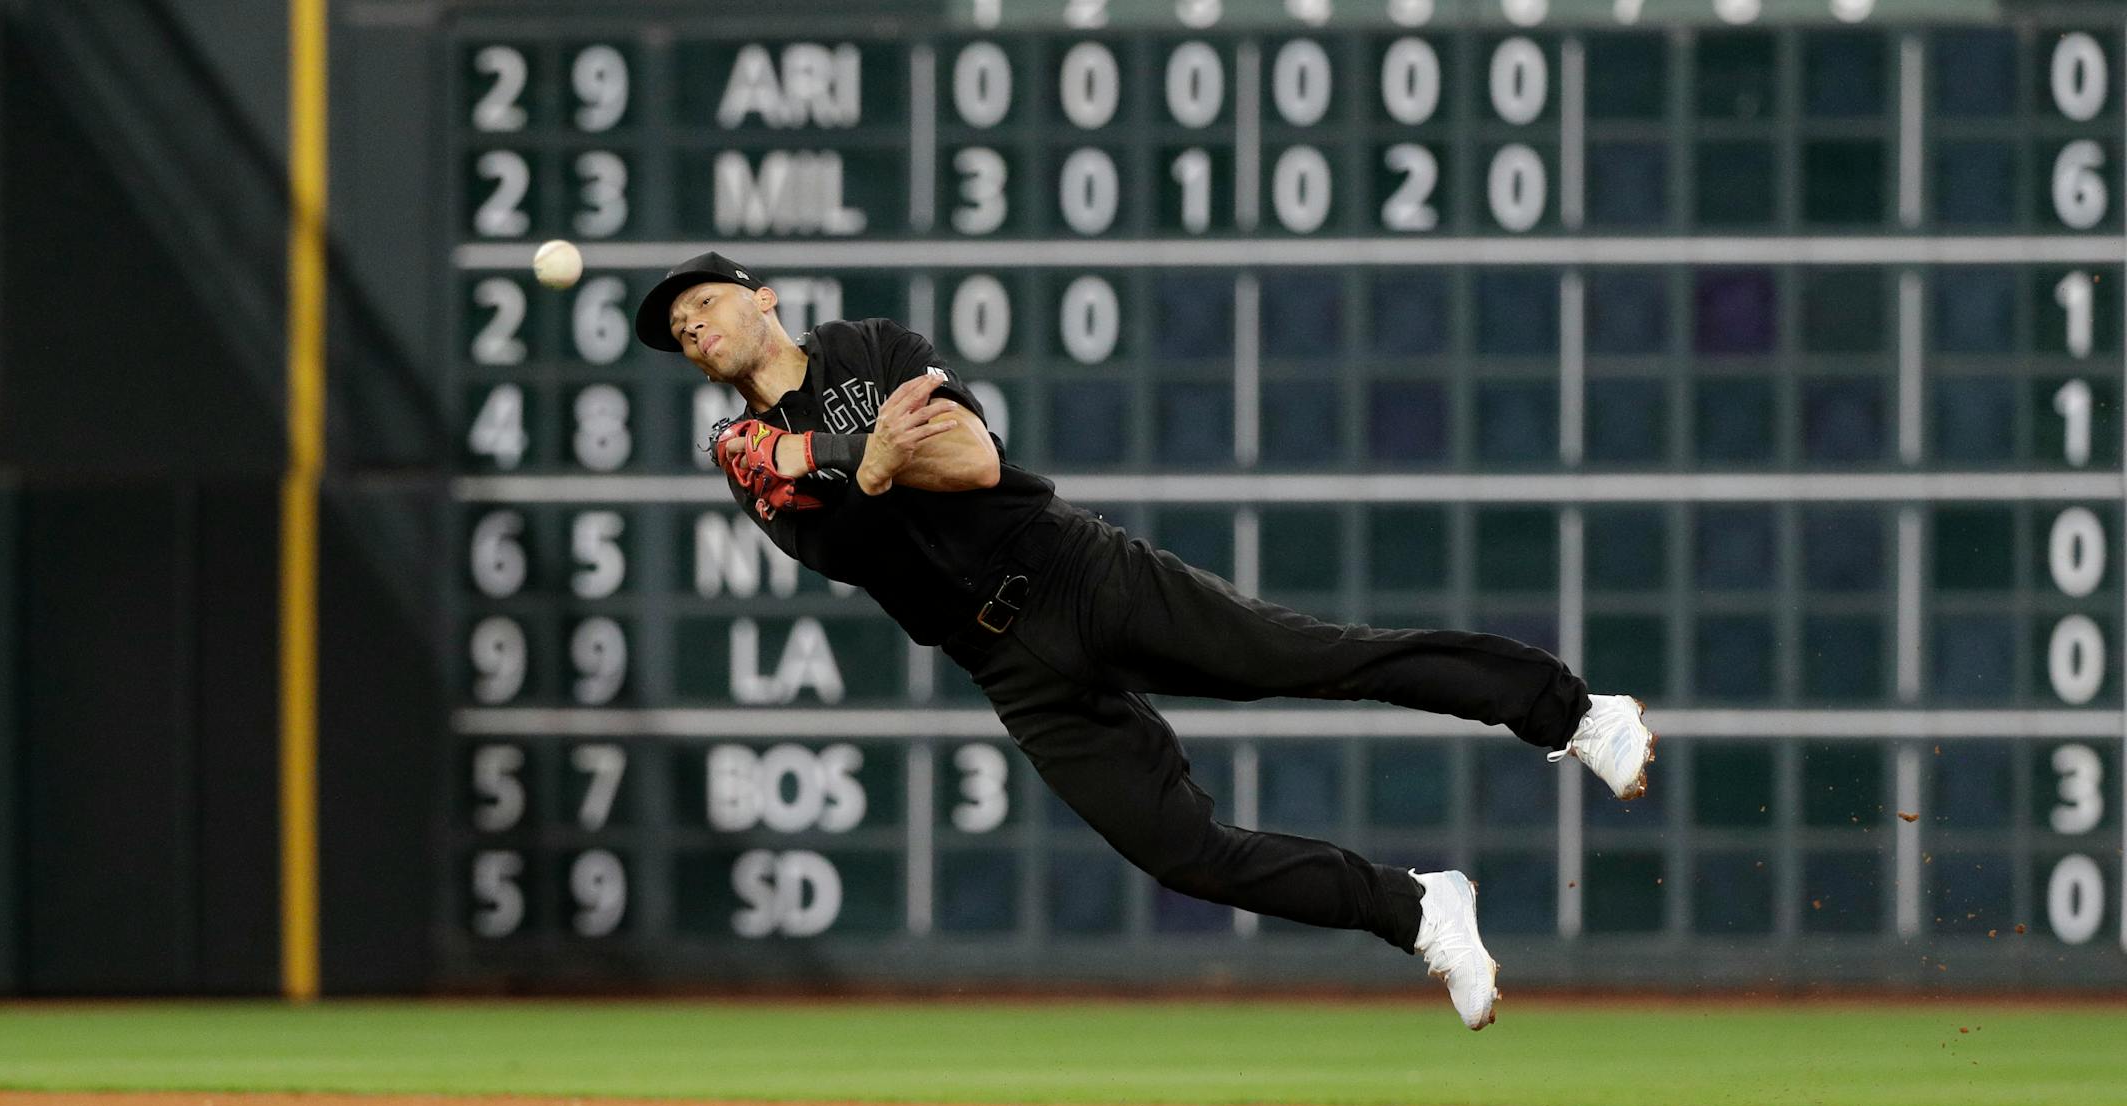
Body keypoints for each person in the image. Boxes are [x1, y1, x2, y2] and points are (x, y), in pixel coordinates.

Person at [635, 252, 1656, 1030]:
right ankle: (1420, 907)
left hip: (1080, 572)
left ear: (759, 296)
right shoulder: (741, 452)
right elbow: (850, 545)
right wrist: (872, 463)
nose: (696, 329)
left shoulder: (870, 347)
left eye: (704, 305)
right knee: (1182, 854)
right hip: (1002, 658)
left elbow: (978, 460)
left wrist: (868, 463)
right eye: (680, 330)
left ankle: (1574, 711)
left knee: (1319, 656)